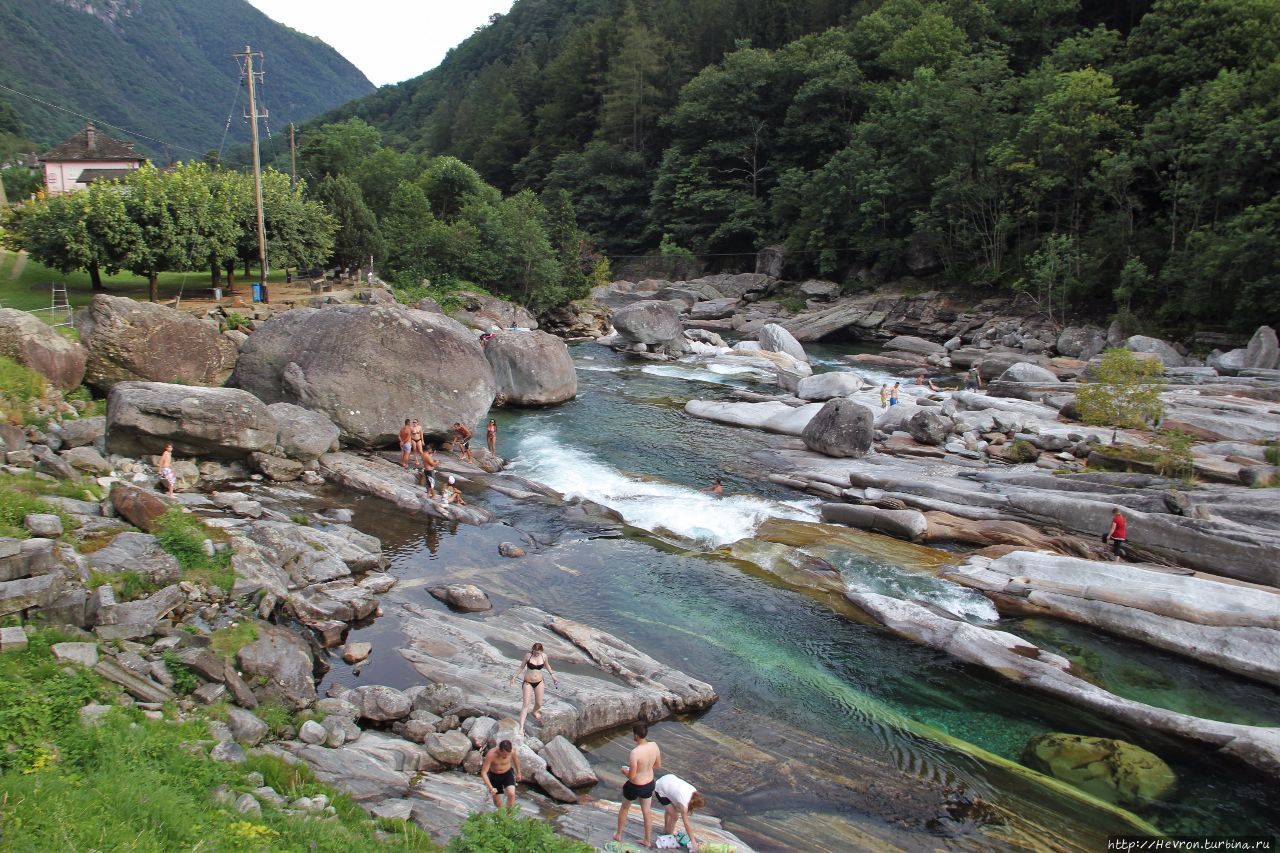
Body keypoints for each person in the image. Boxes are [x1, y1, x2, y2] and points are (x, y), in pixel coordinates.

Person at [615, 722, 662, 848]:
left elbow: (632, 776)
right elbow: (658, 765)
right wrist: (645, 768)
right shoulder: (654, 745)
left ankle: (618, 834)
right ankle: (647, 840)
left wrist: (625, 771)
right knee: (646, 811)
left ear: (636, 735)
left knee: (625, 807)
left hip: (635, 786)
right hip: (649, 784)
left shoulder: (635, 752)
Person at [508, 641, 557, 733]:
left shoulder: (544, 656)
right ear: (532, 650)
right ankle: (521, 726)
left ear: (541, 651)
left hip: (539, 682)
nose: (536, 654)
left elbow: (547, 665)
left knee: (539, 704)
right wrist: (514, 677)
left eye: (538, 653)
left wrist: (553, 675)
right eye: (534, 652)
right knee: (526, 704)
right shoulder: (528, 656)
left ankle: (534, 711)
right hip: (528, 682)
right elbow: (521, 667)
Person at [655, 773, 706, 852]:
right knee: (675, 816)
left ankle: (666, 828)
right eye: (697, 807)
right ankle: (668, 835)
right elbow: (686, 824)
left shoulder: (694, 791)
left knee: (670, 810)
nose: (696, 809)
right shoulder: (684, 803)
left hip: (668, 779)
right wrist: (693, 841)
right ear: (693, 804)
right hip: (660, 789)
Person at [480, 739, 521, 809]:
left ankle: (509, 816)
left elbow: (516, 760)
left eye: (508, 754)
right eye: (504, 754)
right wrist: (491, 788)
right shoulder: (491, 755)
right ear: (500, 750)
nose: (506, 756)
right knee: (498, 802)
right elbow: (483, 772)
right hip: (494, 776)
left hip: (507, 774)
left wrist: (519, 772)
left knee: (511, 794)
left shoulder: (512, 752)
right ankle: (501, 815)